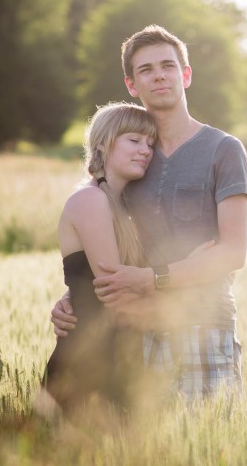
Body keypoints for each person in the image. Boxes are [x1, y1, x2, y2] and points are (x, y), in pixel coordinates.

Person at [51, 25, 247, 401]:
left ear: (185, 74)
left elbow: (232, 253)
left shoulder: (223, 150)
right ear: (131, 84)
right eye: (145, 69)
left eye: (168, 66)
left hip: (204, 326)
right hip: (136, 338)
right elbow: (107, 244)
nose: (159, 75)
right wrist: (75, 296)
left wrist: (150, 278)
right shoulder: (132, 162)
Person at [41, 101, 156, 414]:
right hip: (87, 361)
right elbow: (114, 290)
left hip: (119, 355)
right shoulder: (90, 200)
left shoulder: (125, 209)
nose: (145, 149)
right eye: (134, 140)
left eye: (150, 143)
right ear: (103, 146)